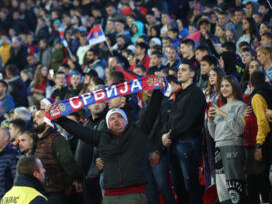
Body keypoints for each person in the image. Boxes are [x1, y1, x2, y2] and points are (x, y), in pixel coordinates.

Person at [53, 85, 164, 204]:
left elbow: (152, 111)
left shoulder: (137, 132)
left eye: (120, 117)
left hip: (134, 194)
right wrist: (58, 118)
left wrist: (158, 89)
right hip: (109, 196)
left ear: (126, 121)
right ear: (107, 124)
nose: (116, 120)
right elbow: (77, 130)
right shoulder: (101, 137)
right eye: (112, 118)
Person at [161, 61, 206, 204]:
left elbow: (189, 120)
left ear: (192, 74)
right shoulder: (180, 93)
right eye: (179, 70)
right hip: (174, 143)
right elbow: (172, 118)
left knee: (190, 184)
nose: (179, 72)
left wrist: (170, 135)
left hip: (188, 142)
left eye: (184, 70)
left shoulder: (196, 92)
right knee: (179, 186)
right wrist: (165, 134)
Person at [208, 75, 248, 203]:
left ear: (234, 87)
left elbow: (239, 130)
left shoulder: (241, 106)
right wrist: (211, 120)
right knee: (222, 187)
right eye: (222, 86)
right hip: (219, 147)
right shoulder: (221, 108)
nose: (224, 89)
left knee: (234, 184)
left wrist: (224, 114)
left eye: (227, 85)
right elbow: (214, 135)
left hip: (233, 147)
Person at [33, 110, 81, 204]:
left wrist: (62, 185)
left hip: (55, 194)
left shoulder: (57, 139)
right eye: (35, 117)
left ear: (47, 122)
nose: (34, 119)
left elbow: (69, 165)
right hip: (40, 192)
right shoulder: (37, 140)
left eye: (39, 117)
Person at [249, 70, 272, 202]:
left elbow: (262, 122)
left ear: (251, 83)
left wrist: (259, 145)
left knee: (262, 181)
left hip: (265, 142)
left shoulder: (257, 96)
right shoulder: (268, 91)